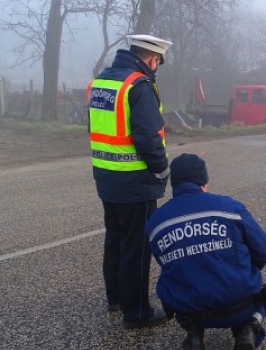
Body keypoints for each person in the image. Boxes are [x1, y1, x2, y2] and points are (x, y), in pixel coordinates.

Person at [87, 34, 172, 329]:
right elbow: (148, 137)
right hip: (135, 180)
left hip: (105, 175)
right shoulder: (139, 86)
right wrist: (162, 170)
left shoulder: (102, 82)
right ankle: (136, 312)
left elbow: (96, 126)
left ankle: (116, 298)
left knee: (116, 239)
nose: (156, 67)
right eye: (157, 62)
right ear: (152, 58)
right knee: (137, 248)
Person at [146, 153, 266, 350]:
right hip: (239, 304)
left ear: (174, 184)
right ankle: (248, 327)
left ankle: (194, 335)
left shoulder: (155, 222)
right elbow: (263, 249)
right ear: (204, 181)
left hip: (190, 310)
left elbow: (166, 262)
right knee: (261, 289)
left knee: (174, 276)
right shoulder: (230, 207)